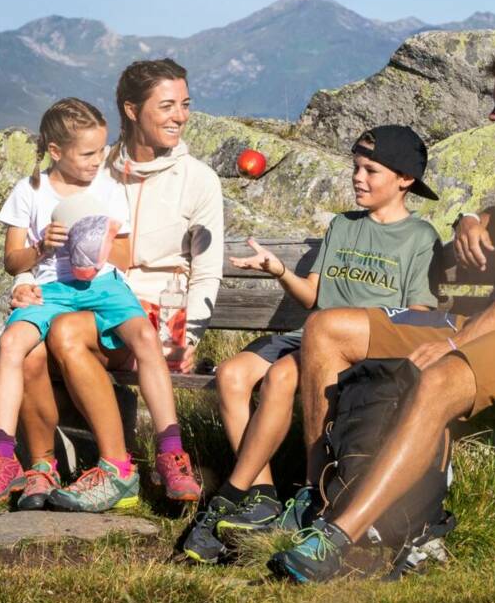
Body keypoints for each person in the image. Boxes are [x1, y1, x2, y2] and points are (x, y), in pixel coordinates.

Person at [269, 44, 495, 583]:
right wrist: (470, 220)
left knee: (440, 378)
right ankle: (320, 498)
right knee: (326, 329)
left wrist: (461, 343)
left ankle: (339, 536)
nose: (491, 115)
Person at [179, 125, 443, 564]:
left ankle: (238, 498)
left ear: (405, 180)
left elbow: (416, 313)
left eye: (370, 170)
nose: (358, 177)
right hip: (307, 336)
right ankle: (261, 497)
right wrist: (279, 268)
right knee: (232, 374)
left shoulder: (419, 237)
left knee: (283, 375)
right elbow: (315, 297)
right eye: (356, 167)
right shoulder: (343, 225)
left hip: (352, 350)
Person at [7, 59, 223, 512]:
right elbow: (44, 233)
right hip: (92, 301)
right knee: (31, 349)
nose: (179, 116)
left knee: (65, 333)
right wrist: (25, 279)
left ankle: (115, 468)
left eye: (185, 105)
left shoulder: (198, 179)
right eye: (166, 106)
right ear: (130, 109)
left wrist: (192, 336)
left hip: (158, 313)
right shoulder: (95, 167)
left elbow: (207, 268)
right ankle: (40, 468)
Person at [0, 98, 182, 509]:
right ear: (55, 151)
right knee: (13, 344)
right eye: (87, 153)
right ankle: (2, 456)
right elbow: (12, 259)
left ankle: (171, 449)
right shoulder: (29, 191)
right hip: (50, 291)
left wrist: (94, 245)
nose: (96, 160)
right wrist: (38, 250)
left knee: (144, 335)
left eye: (101, 150)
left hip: (101, 285)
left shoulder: (108, 187)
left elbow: (122, 256)